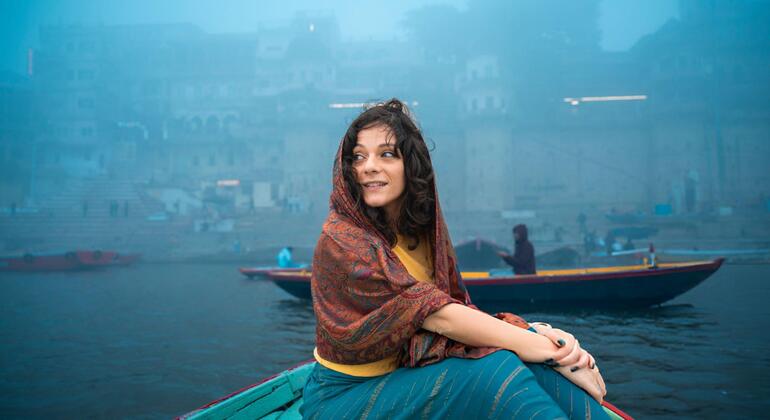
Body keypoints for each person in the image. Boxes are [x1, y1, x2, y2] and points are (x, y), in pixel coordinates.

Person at [301, 99, 608, 419]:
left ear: (412, 164)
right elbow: (439, 316)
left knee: (533, 359)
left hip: (402, 374)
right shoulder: (342, 240)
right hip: (342, 397)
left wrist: (537, 335)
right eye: (358, 156)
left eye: (387, 154)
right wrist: (547, 350)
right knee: (495, 368)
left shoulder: (423, 232)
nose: (369, 166)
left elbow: (457, 308)